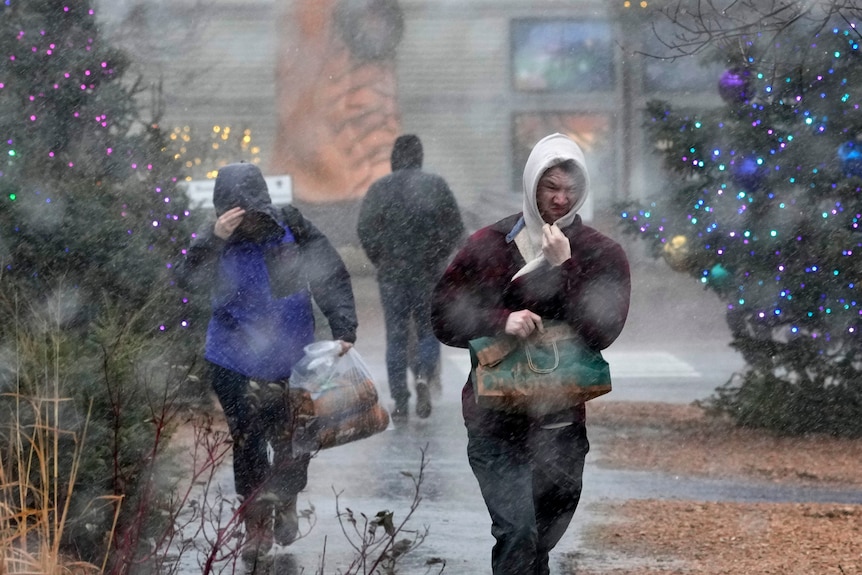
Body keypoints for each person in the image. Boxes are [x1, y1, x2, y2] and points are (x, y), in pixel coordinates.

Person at [431, 133, 630, 575]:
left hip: (560, 425)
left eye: (570, 190)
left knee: (540, 539)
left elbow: (603, 330)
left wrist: (566, 266)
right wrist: (500, 320)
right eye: (550, 187)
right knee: (517, 533)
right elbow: (444, 318)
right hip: (494, 419)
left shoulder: (601, 253)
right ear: (531, 183)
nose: (561, 199)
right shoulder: (488, 245)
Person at [177, 162, 358, 562]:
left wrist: (343, 327)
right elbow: (186, 282)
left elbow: (330, 275)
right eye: (234, 213)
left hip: (291, 359)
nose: (246, 222)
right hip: (232, 360)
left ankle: (287, 498)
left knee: (294, 442)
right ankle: (255, 526)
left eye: (252, 211)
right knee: (249, 444)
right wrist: (213, 239)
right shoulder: (215, 239)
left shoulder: (292, 226)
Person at [357, 134, 465, 421]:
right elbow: (454, 228)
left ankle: (400, 400)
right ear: (419, 156)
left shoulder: (379, 189)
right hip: (428, 275)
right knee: (429, 332)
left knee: (396, 336)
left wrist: (380, 258)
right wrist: (437, 256)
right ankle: (423, 376)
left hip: (392, 274)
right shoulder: (435, 186)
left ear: (394, 157)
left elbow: (365, 229)